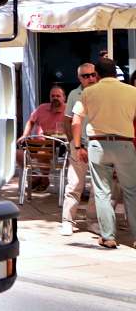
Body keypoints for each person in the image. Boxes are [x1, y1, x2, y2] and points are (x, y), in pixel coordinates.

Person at [71, 57, 136, 249]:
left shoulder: (89, 92)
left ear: (97, 75)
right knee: (132, 191)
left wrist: (77, 147)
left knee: (102, 191)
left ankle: (108, 236)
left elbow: (76, 121)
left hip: (98, 145)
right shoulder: (132, 91)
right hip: (125, 144)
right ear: (116, 73)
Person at [61, 63, 99, 235]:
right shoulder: (74, 94)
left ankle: (92, 221)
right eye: (86, 76)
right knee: (75, 184)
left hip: (99, 145)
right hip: (80, 144)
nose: (90, 78)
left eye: (93, 74)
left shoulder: (102, 92)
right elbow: (67, 121)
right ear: (79, 78)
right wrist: (73, 144)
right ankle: (68, 220)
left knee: (98, 187)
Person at [20, 85, 70, 193]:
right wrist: (25, 134)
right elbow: (30, 121)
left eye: (58, 96)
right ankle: (38, 177)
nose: (55, 98)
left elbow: (73, 127)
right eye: (53, 96)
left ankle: (43, 179)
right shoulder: (42, 108)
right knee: (18, 153)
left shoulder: (68, 110)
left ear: (64, 98)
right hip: (39, 141)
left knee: (43, 152)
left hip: (58, 144)